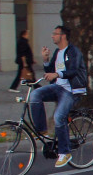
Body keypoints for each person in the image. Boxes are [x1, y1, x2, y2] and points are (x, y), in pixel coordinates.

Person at [30, 25, 87, 167]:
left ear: (63, 36)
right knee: (35, 94)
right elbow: (50, 72)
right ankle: (42, 130)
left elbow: (73, 70)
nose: (52, 36)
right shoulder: (57, 52)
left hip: (71, 90)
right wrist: (46, 60)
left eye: (55, 34)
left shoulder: (74, 51)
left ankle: (65, 152)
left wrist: (57, 74)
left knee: (58, 117)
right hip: (58, 87)